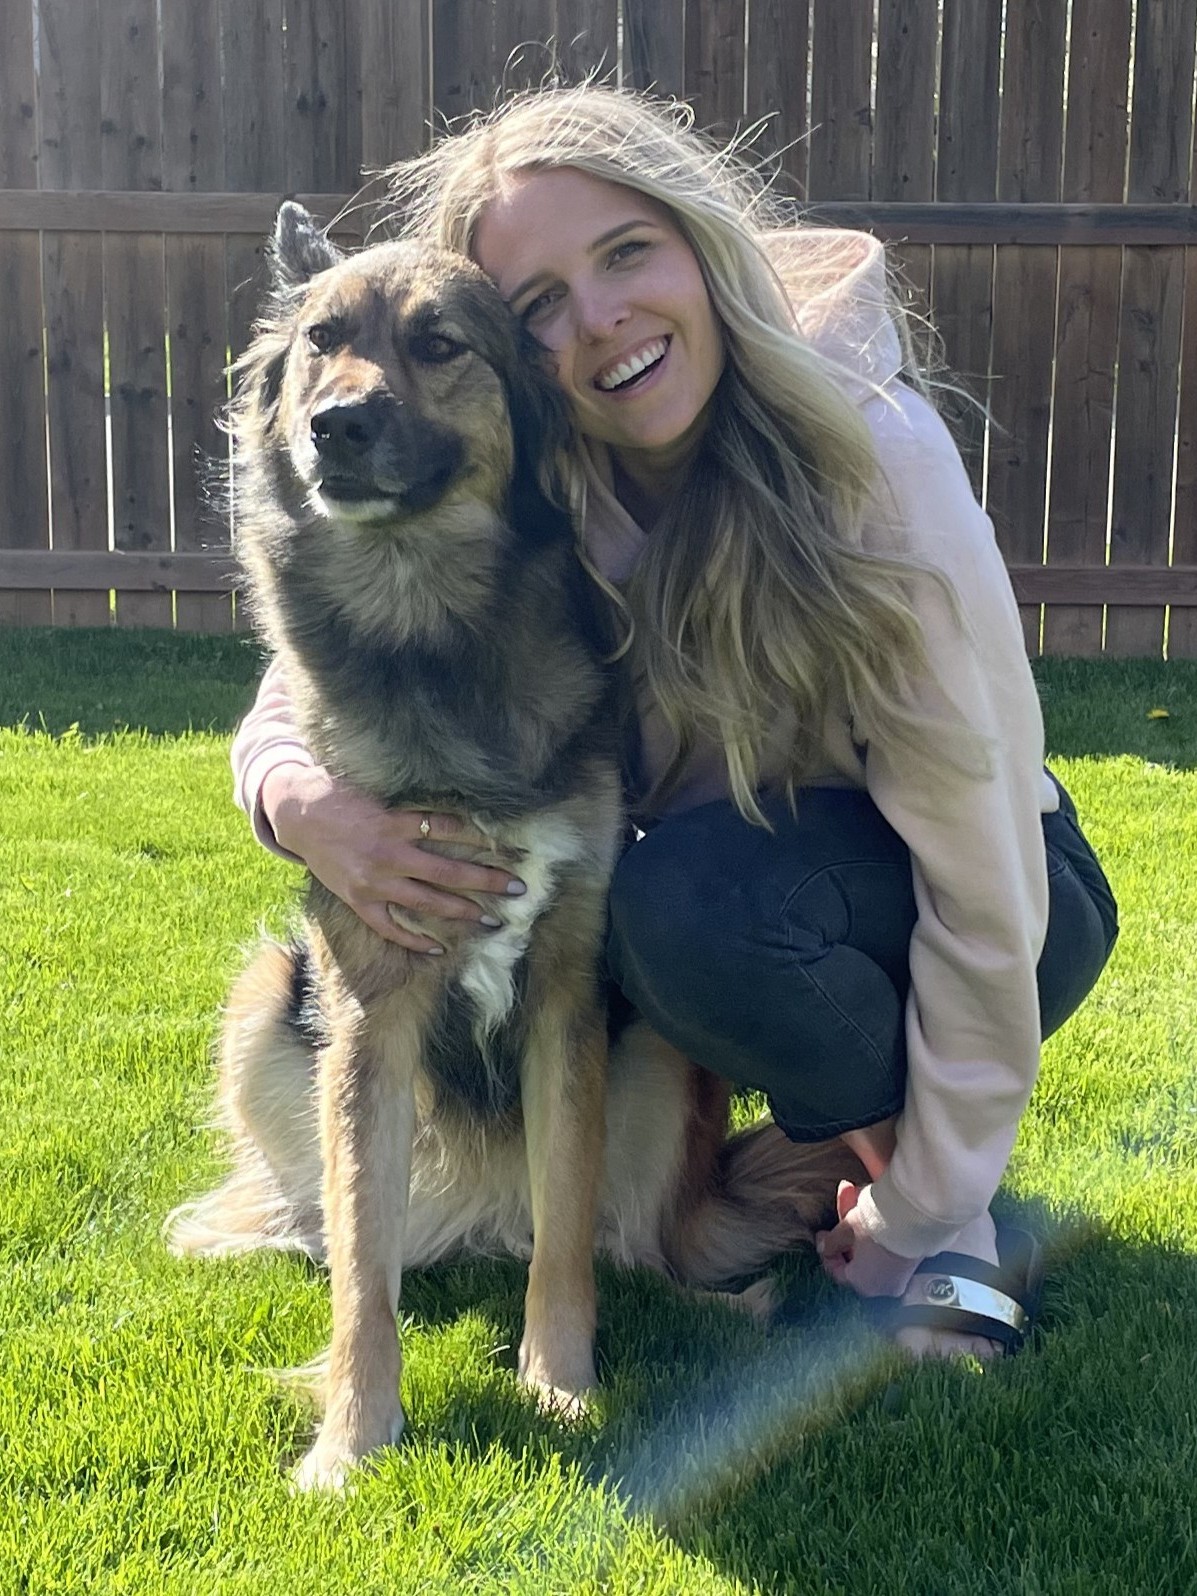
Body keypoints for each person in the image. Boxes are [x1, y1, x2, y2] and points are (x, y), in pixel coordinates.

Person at [231, 84, 1119, 1359]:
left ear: (704, 244)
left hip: (998, 891)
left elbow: (981, 868)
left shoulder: (876, 462)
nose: (598, 322)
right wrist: (298, 799)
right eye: (542, 303)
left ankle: (939, 1213)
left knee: (682, 914)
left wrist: (935, 1198)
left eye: (627, 254)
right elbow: (339, 662)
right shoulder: (553, 477)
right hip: (768, 881)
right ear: (525, 354)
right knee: (679, 915)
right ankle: (861, 1147)